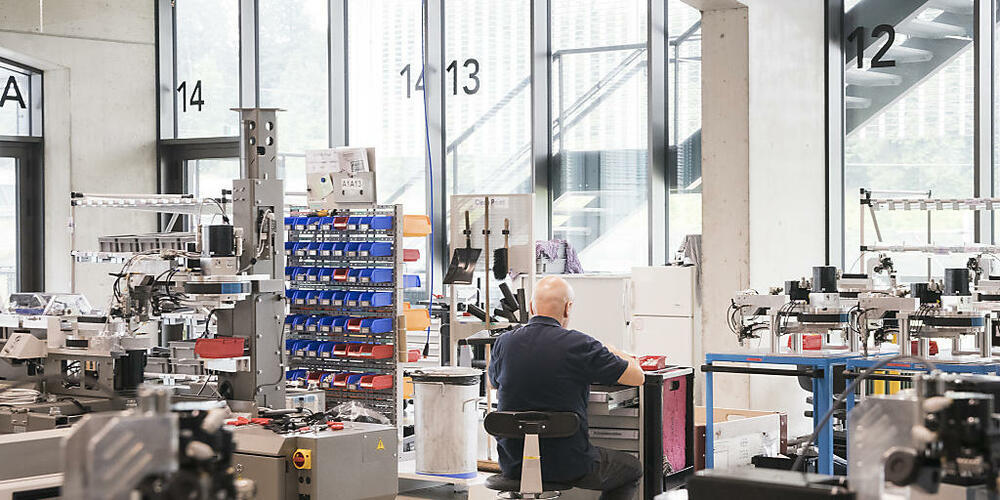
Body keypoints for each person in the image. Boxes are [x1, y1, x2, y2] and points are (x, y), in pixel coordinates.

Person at [488, 276, 646, 500]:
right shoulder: (580, 345)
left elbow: (493, 382)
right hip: (569, 464)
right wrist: (614, 351)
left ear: (531, 307)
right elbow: (637, 377)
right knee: (632, 469)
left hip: (514, 464)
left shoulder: (504, 342)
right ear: (568, 308)